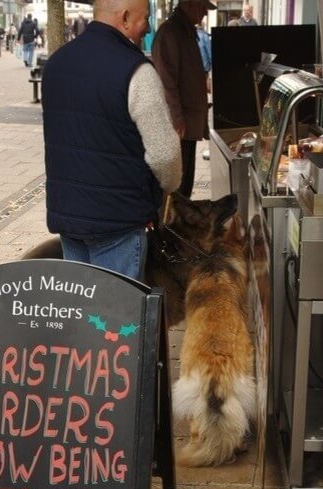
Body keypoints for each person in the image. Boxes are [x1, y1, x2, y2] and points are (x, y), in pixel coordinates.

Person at [42, 0, 182, 280]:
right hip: (118, 220)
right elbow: (165, 154)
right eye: (145, 19)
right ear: (126, 17)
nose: (149, 27)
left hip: (69, 214)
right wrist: (169, 187)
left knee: (82, 309)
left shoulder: (57, 62)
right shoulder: (137, 71)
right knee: (117, 318)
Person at [152, 0, 216, 198]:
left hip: (187, 125)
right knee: (176, 189)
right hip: (179, 127)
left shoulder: (185, 32)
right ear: (190, 5)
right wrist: (177, 119)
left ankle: (176, 226)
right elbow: (166, 82)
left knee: (184, 186)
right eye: (203, 8)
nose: (205, 13)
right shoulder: (171, 33)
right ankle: (169, 227)